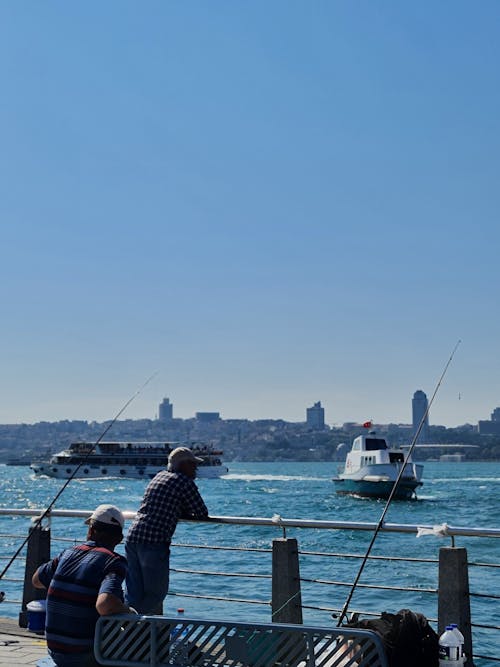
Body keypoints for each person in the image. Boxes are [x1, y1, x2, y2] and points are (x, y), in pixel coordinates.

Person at [32, 504, 135, 667]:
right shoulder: (114, 561)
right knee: (138, 649)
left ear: (91, 531)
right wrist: (128, 611)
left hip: (55, 651)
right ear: (119, 539)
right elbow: (105, 605)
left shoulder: (67, 553)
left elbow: (36, 580)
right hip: (84, 655)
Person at [125, 446, 209, 614]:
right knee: (156, 594)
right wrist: (183, 510)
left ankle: (123, 630)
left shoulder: (159, 476)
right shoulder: (184, 481)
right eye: (193, 464)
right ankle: (136, 628)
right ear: (183, 465)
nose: (196, 468)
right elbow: (201, 513)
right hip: (153, 542)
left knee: (134, 592)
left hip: (133, 537)